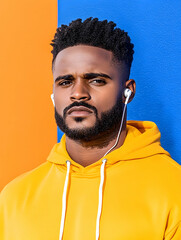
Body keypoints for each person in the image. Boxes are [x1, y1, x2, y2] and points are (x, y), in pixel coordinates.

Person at [0, 17, 181, 240]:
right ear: (53, 95)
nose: (77, 93)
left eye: (96, 80)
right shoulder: (13, 197)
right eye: (65, 82)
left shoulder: (174, 189)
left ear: (128, 92)